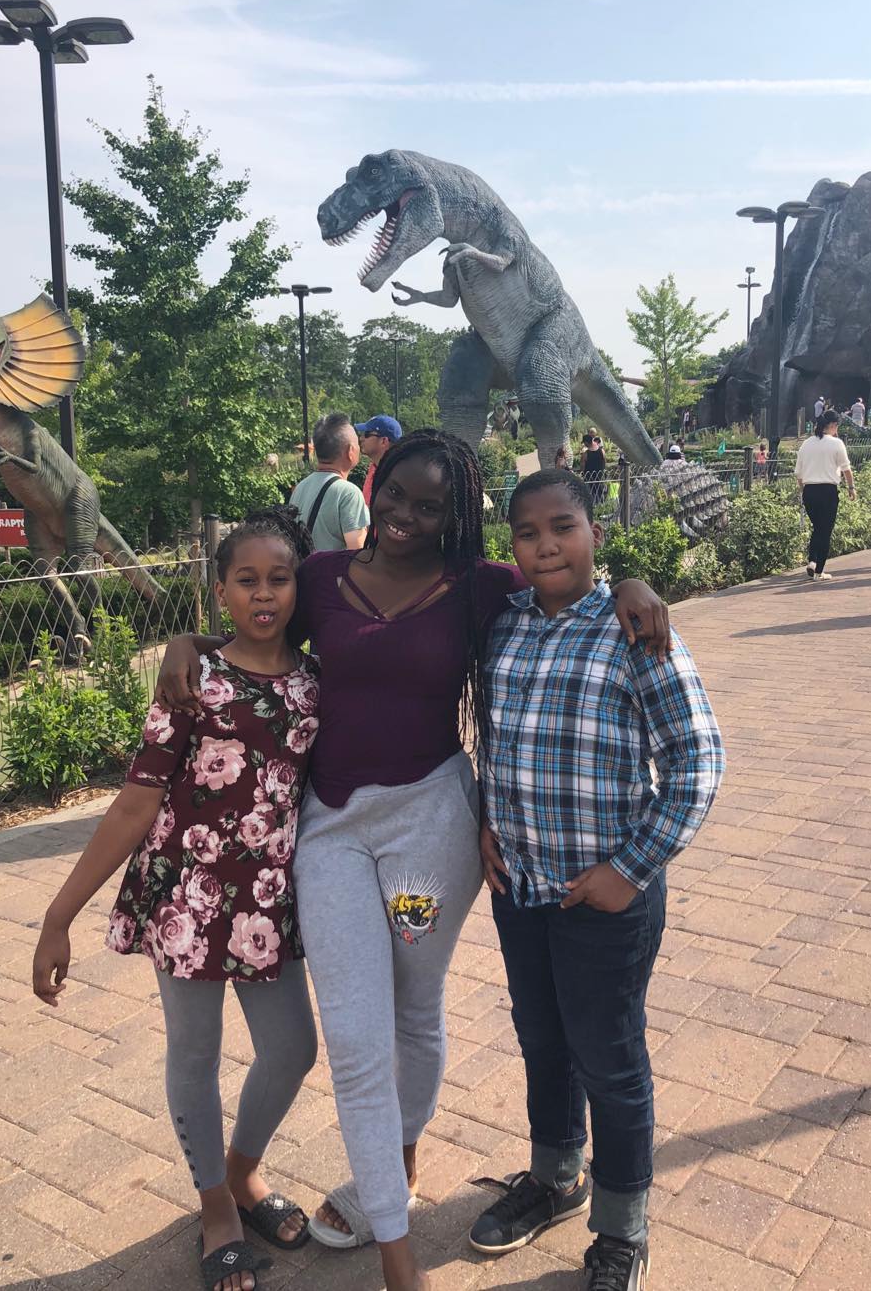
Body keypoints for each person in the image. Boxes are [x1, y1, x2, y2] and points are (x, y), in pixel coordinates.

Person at [153, 430, 671, 1291]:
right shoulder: (323, 577)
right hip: (332, 835)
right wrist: (189, 643)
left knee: (414, 1010)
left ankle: (395, 1159)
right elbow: (257, 635)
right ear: (374, 482)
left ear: (454, 514)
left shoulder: (479, 587)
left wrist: (629, 584)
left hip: (429, 835)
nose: (404, 514)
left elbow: (564, 576)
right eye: (394, 493)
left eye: (430, 506)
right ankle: (398, 1252)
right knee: (355, 1037)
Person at [32, 507, 321, 1291]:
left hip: (266, 904)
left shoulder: (315, 682)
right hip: (183, 900)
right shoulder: (192, 683)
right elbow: (135, 803)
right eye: (246, 580)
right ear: (219, 590)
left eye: (279, 578)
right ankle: (215, 1205)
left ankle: (242, 1170)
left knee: (292, 1050)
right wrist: (58, 916)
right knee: (195, 1052)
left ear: (300, 586)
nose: (264, 594)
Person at [470, 470, 723, 1289]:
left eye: (563, 527)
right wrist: (485, 822)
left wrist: (630, 869)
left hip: (605, 899)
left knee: (609, 1058)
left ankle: (622, 1229)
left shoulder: (633, 627)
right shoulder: (504, 627)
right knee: (542, 1040)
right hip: (521, 889)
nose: (545, 545)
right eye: (528, 533)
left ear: (596, 535)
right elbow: (494, 740)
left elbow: (697, 761)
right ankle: (556, 1177)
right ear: (512, 547)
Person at [288, 413, 369, 552]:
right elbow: (357, 553)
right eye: (357, 443)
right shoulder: (349, 493)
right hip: (333, 567)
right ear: (350, 451)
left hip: (303, 566)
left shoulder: (300, 487)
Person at [795, 411, 855, 580]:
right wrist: (851, 488)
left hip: (809, 491)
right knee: (825, 531)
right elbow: (846, 469)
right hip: (828, 491)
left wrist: (803, 490)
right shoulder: (836, 443)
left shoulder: (806, 444)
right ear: (833, 425)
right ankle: (819, 571)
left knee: (818, 528)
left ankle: (812, 561)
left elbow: (798, 473)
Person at [356, 414, 402, 505]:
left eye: (367, 434)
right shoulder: (373, 467)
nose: (361, 438)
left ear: (384, 441)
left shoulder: (396, 474)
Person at [580, 431, 607, 505]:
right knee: (601, 496)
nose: (584, 444)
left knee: (590, 497)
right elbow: (604, 462)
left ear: (586, 442)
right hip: (600, 477)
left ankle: (593, 508)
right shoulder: (602, 451)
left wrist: (582, 474)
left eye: (584, 443)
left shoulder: (585, 454)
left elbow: (582, 467)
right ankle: (602, 508)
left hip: (589, 479)